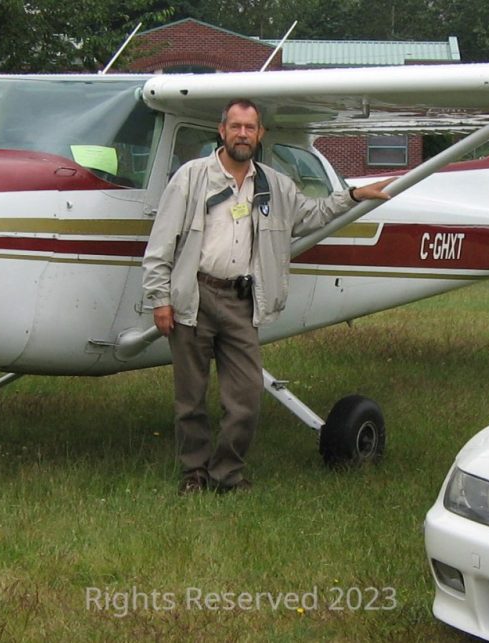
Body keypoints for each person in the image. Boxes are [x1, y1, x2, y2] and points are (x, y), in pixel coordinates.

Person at [141, 98, 394, 494]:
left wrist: (355, 196)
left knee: (245, 399)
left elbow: (312, 214)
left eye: (251, 127)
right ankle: (194, 474)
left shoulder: (275, 185)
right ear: (222, 131)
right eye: (236, 126)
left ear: (261, 135)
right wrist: (160, 298)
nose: (243, 134)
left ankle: (227, 475)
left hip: (242, 302)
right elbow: (161, 244)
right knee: (190, 400)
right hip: (196, 296)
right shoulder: (190, 178)